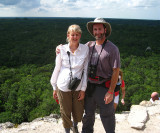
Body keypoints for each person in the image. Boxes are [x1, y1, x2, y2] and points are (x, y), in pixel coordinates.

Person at [82, 18, 120, 133]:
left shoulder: (112, 49)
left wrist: (110, 91)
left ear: (105, 30)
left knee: (107, 116)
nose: (97, 32)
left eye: (99, 29)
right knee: (88, 115)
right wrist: (60, 48)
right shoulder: (88, 45)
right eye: (95, 29)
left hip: (104, 86)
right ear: (92, 31)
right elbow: (74, 50)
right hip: (90, 86)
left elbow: (116, 71)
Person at [50, 24, 89, 133]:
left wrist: (83, 89)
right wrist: (54, 87)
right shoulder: (61, 49)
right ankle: (67, 131)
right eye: (73, 35)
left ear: (80, 36)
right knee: (65, 112)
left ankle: (75, 126)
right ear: (68, 35)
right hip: (62, 86)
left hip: (78, 86)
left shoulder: (85, 49)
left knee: (78, 111)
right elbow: (57, 68)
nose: (75, 37)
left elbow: (85, 70)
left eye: (77, 35)